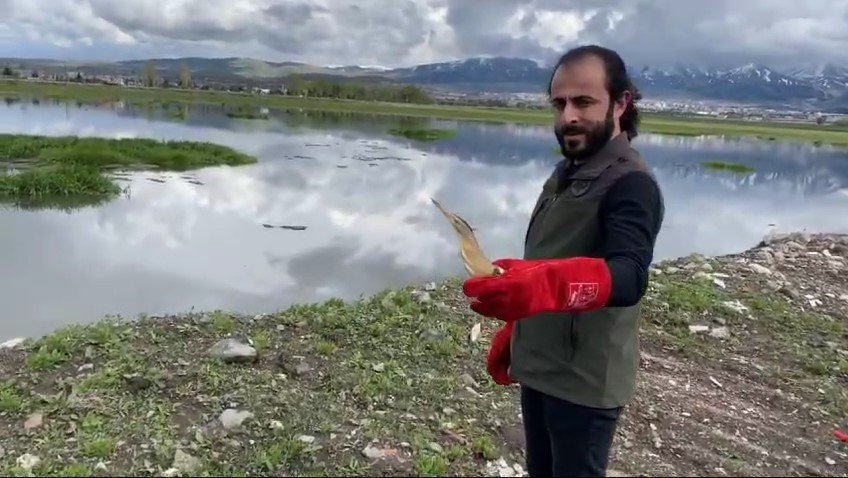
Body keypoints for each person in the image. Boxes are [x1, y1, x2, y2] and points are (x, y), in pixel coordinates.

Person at [462, 44, 665, 477]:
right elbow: (554, 260)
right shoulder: (570, 171)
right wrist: (521, 331)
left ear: (621, 103)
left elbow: (629, 277)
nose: (568, 115)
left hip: (584, 382)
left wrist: (539, 286)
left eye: (584, 102)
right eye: (560, 103)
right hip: (543, 365)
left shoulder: (631, 183)